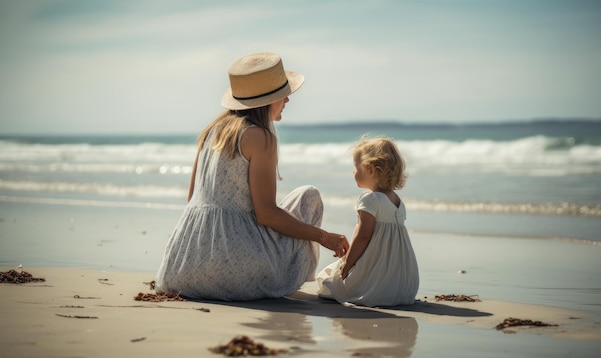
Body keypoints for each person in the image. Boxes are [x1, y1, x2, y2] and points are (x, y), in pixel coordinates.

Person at [155, 52, 349, 300]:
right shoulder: (259, 137)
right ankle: (280, 281)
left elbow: (193, 198)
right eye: (282, 95)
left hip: (182, 269)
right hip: (234, 274)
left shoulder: (211, 132)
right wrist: (324, 237)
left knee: (287, 211)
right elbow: (266, 214)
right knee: (308, 197)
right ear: (268, 101)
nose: (287, 99)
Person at [316, 136, 419, 307]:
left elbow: (363, 237)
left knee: (329, 280)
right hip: (404, 285)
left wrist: (348, 265)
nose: (353, 172)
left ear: (370, 169)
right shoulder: (398, 202)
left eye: (355, 167)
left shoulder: (370, 199)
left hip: (377, 283)